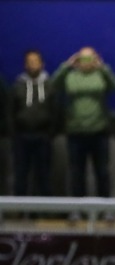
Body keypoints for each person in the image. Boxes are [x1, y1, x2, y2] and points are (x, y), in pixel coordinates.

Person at [52, 46, 115, 199]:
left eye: (90, 58)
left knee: (102, 171)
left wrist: (103, 67)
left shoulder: (100, 75)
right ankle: (77, 208)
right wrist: (66, 66)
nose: (86, 62)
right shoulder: (71, 76)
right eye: (83, 58)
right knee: (76, 171)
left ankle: (105, 207)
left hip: (99, 131)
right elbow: (53, 84)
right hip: (75, 131)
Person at [8, 49, 57, 196]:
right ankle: (19, 211)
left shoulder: (50, 85)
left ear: (42, 64)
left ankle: (45, 213)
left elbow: (56, 111)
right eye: (29, 62)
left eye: (36, 61)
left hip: (43, 136)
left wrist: (50, 133)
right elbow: (10, 111)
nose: (33, 65)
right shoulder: (17, 85)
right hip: (21, 136)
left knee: (44, 175)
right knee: (20, 175)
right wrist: (13, 133)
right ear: (25, 65)